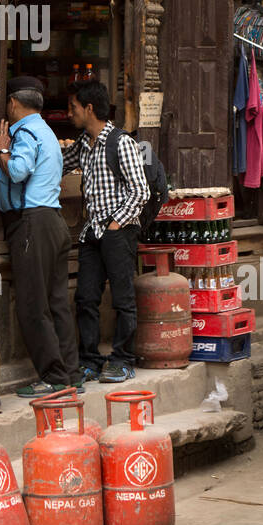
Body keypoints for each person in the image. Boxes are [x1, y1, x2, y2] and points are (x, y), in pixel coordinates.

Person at [0, 74, 83, 397]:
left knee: (33, 305)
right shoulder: (47, 131)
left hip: (34, 223)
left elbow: (18, 171)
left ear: (13, 104)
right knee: (57, 302)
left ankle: (53, 376)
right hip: (54, 222)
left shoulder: (27, 132)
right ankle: (70, 373)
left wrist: (2, 151)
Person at [62, 79, 149, 384]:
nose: (69, 113)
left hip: (118, 231)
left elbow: (140, 191)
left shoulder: (120, 142)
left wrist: (115, 224)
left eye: (73, 107)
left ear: (89, 108)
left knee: (123, 299)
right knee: (86, 298)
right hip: (91, 234)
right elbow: (56, 164)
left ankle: (123, 359)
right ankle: (90, 359)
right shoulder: (82, 145)